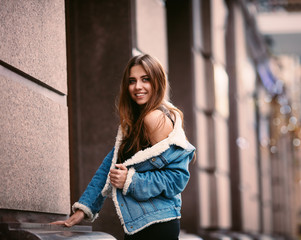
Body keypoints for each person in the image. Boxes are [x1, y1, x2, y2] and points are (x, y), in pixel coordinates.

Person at [52, 54, 196, 240]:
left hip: (157, 226)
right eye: (132, 81)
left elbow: (177, 178)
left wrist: (131, 180)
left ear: (157, 82)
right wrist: (84, 209)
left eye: (145, 79)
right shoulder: (133, 124)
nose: (138, 87)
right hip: (140, 225)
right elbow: (108, 169)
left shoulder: (155, 118)